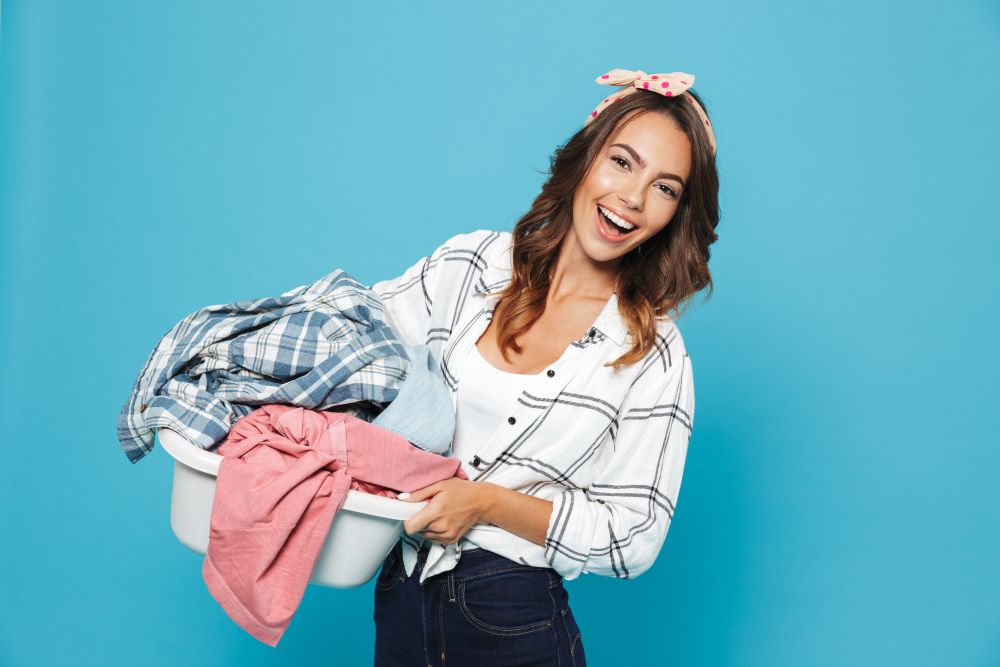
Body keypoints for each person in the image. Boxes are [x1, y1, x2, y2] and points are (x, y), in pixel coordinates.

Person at [369, 67, 720, 667]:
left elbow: (634, 537)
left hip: (513, 618)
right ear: (585, 160)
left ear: (678, 214)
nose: (633, 199)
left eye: (665, 188)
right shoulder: (471, 265)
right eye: (622, 162)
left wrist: (484, 503)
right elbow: (356, 345)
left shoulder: (651, 352)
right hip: (401, 593)